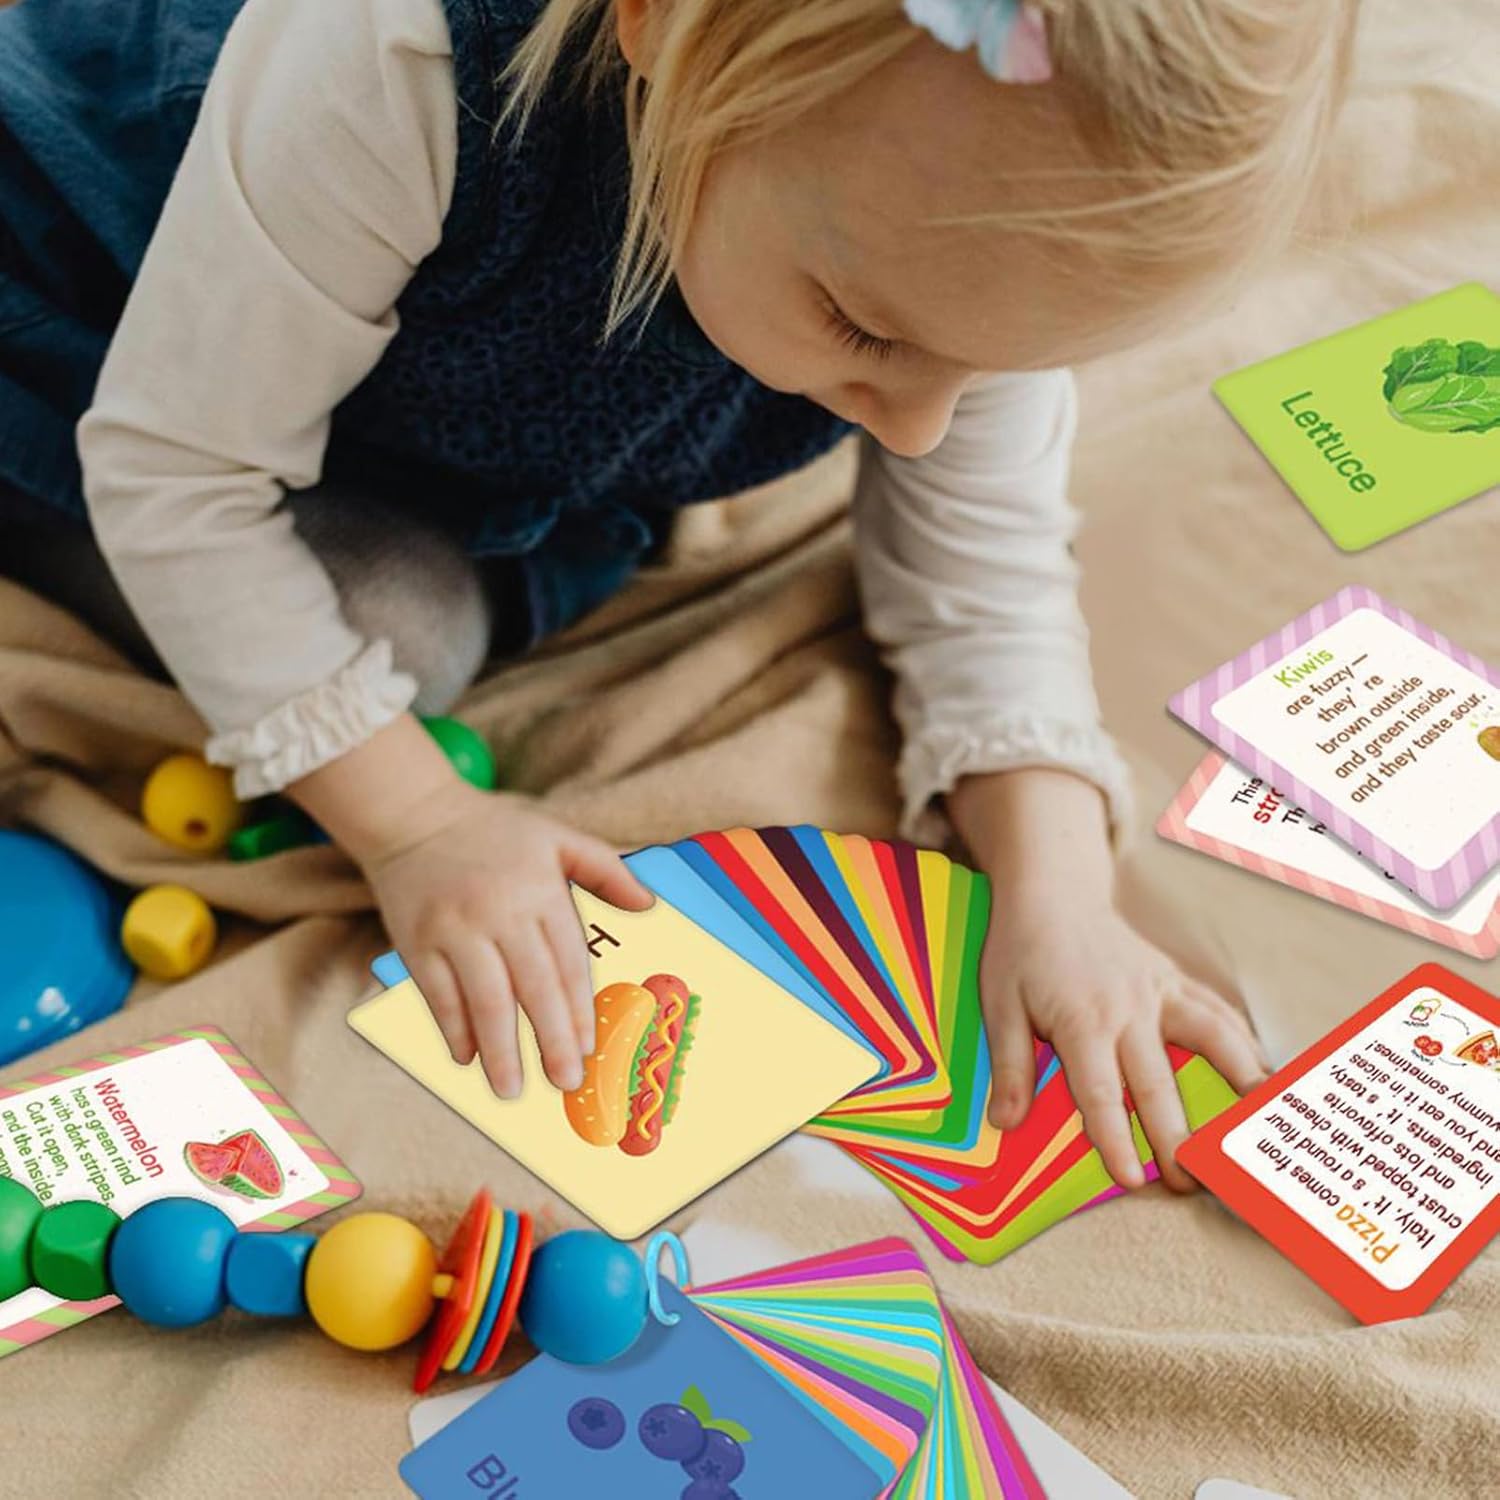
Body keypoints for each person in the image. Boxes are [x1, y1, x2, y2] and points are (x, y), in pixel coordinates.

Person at [0, 0, 1356, 1189]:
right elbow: (179, 472)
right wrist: (419, 824)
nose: (920, 431)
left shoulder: (940, 234)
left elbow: (984, 571)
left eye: (997, 371)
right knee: (395, 636)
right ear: (665, 28)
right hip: (86, 313)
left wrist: (1058, 897)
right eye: (868, 332)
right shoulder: (397, 61)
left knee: (411, 624)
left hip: (433, 424)